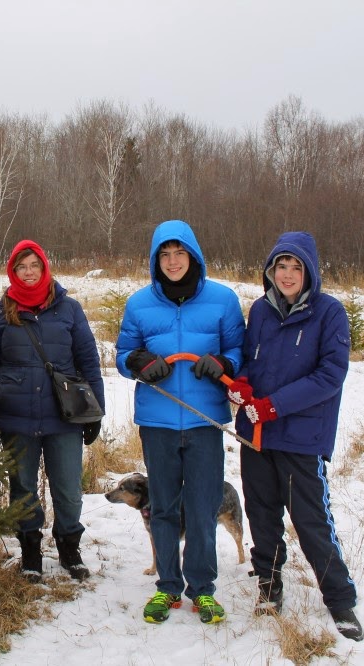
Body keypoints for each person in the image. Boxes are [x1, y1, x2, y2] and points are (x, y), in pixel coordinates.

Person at [226, 231, 364, 641]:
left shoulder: (329, 313)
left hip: (301, 439)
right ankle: (269, 587)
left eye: (295, 267)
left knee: (311, 522)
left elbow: (330, 375)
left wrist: (275, 405)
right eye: (280, 266)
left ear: (310, 272)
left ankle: (340, 601)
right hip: (257, 438)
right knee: (261, 517)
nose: (287, 274)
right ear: (270, 271)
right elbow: (250, 361)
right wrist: (243, 386)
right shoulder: (262, 312)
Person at [115, 220, 245, 625]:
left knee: (203, 508)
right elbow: (123, 354)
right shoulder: (139, 304)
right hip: (158, 422)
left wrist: (223, 364)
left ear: (194, 256)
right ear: (156, 260)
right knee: (164, 509)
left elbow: (239, 351)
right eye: (165, 255)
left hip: (206, 422)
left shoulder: (223, 300)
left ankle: (202, 590)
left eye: (180, 253)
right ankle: (168, 587)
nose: (173, 262)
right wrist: (138, 362)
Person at [0, 239, 105, 583]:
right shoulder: (0, 312)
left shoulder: (70, 309)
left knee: (68, 489)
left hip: (64, 418)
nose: (29, 273)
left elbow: (89, 362)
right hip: (15, 418)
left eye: (34, 265)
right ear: (12, 272)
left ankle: (69, 547)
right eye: (22, 267)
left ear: (45, 267)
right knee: (22, 488)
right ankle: (30, 551)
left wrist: (96, 412)